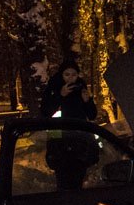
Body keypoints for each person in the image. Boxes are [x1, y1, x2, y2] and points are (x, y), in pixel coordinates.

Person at [41, 61, 98, 189]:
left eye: (74, 74)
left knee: (78, 179)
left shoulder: (80, 88)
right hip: (59, 143)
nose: (70, 78)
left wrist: (87, 101)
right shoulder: (54, 87)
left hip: (80, 142)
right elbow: (45, 112)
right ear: (61, 75)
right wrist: (60, 95)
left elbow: (92, 115)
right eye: (67, 74)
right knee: (63, 180)